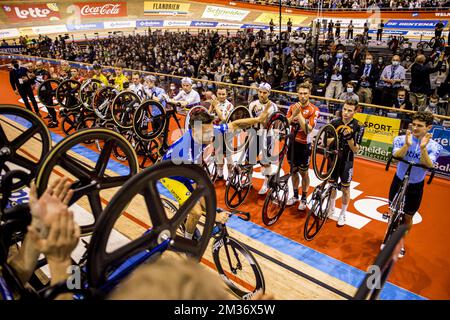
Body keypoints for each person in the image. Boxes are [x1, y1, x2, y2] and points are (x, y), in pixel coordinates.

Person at [162, 103, 272, 240]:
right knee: (196, 211)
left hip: (187, 171)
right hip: (171, 176)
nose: (211, 135)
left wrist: (258, 120)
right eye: (207, 133)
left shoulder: (203, 130)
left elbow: (235, 125)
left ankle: (184, 215)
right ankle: (187, 240)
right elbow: (196, 189)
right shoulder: (186, 153)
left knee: (203, 198)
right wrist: (215, 216)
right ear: (195, 131)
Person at [386, 111, 442, 258]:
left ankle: (400, 242)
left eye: (420, 126)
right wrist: (406, 145)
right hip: (399, 179)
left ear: (428, 127)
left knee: (408, 217)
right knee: (392, 210)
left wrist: (423, 148)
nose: (415, 128)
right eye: (414, 124)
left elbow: (429, 165)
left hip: (416, 184)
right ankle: (390, 231)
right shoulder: (401, 138)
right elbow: (395, 158)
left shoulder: (433, 146)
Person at [328, 99, 365, 227]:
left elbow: (355, 149)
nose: (346, 113)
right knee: (331, 185)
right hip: (333, 158)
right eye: (344, 109)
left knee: (345, 188)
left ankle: (343, 213)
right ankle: (331, 207)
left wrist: (349, 137)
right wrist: (338, 136)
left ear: (355, 111)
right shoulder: (334, 122)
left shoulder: (359, 126)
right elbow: (327, 142)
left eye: (350, 110)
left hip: (347, 160)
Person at [286, 82, 320, 210]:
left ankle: (304, 198)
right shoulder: (292, 107)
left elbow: (308, 130)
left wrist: (298, 114)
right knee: (293, 171)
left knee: (303, 173)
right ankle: (295, 195)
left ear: (309, 94)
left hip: (304, 145)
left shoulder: (314, 110)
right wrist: (293, 114)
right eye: (300, 93)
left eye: (305, 93)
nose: (302, 96)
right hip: (292, 143)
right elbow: (286, 123)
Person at [248, 83, 279, 195]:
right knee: (249, 159)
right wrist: (261, 117)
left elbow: (269, 125)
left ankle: (266, 183)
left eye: (265, 92)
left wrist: (262, 116)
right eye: (260, 92)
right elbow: (252, 121)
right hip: (255, 133)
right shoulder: (252, 104)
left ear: (269, 93)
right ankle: (248, 180)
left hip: (267, 135)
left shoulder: (273, 107)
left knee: (266, 161)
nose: (262, 94)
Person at [208, 86, 235, 179]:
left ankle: (231, 173)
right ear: (216, 94)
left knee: (228, 154)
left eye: (223, 94)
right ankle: (220, 172)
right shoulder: (215, 103)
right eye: (219, 94)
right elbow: (208, 115)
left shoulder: (229, 105)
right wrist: (211, 107)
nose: (221, 96)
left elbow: (223, 118)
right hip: (217, 131)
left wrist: (215, 106)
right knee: (218, 153)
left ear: (226, 94)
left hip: (228, 132)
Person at [33, 60, 58, 127]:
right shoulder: (34, 72)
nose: (38, 67)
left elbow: (43, 80)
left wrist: (35, 78)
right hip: (40, 92)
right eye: (37, 65)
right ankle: (50, 116)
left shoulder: (46, 72)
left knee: (50, 106)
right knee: (45, 105)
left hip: (48, 92)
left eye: (40, 65)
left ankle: (55, 122)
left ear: (42, 65)